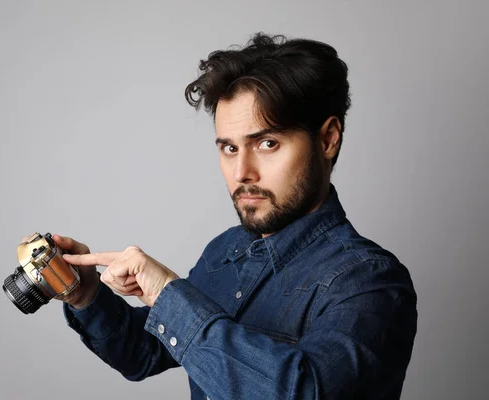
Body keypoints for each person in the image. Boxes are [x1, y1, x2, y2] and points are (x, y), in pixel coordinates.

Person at [53, 33, 418, 399]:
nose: (242, 171)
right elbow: (146, 354)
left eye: (267, 144)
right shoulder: (224, 251)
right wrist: (86, 295)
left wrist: (167, 296)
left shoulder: (369, 282)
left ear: (327, 139)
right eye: (229, 147)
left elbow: (305, 392)